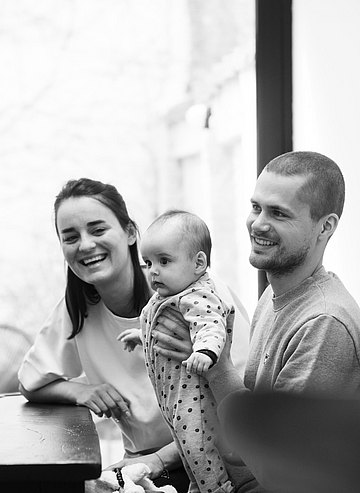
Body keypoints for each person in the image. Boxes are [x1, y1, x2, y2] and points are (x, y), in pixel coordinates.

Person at [17, 178, 250, 493]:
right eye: (70, 237)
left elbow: (245, 399)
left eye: (98, 230)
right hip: (144, 467)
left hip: (214, 463)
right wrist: (82, 392)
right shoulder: (75, 310)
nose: (85, 245)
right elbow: (30, 383)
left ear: (129, 233)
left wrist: (159, 460)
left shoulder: (198, 296)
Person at [151, 151, 360, 492]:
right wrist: (157, 461)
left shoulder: (324, 324)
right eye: (256, 207)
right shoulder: (274, 294)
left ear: (326, 226)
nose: (258, 224)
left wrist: (216, 367)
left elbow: (284, 475)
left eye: (279, 213)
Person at [119, 210, 236, 493]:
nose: (153, 270)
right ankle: (198, 487)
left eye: (164, 261)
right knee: (186, 451)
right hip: (174, 399)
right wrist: (142, 335)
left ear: (198, 263)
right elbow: (165, 327)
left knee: (199, 450)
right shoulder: (170, 295)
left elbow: (210, 324)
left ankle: (217, 489)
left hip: (194, 396)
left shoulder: (198, 294)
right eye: (148, 263)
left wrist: (206, 351)